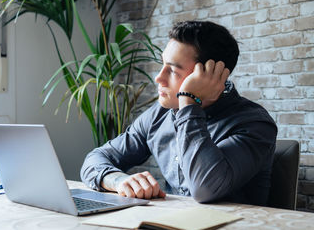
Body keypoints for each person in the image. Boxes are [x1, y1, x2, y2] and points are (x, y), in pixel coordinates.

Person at [80, 21, 277, 206]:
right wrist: (118, 180)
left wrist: (189, 101)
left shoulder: (254, 124)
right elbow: (95, 159)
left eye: (173, 71)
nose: (158, 78)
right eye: (162, 64)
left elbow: (204, 189)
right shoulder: (159, 114)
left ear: (211, 76)